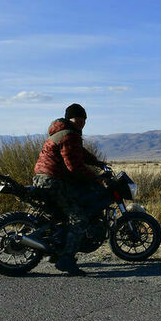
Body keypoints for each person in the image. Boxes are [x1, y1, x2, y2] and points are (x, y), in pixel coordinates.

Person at [33, 103, 104, 276]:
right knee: (79, 218)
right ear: (69, 119)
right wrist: (95, 177)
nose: (81, 122)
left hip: (41, 179)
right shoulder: (69, 135)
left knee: (61, 215)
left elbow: (79, 153)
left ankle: (55, 250)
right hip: (53, 181)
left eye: (83, 120)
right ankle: (66, 259)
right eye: (78, 119)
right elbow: (74, 166)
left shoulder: (61, 133)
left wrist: (97, 162)